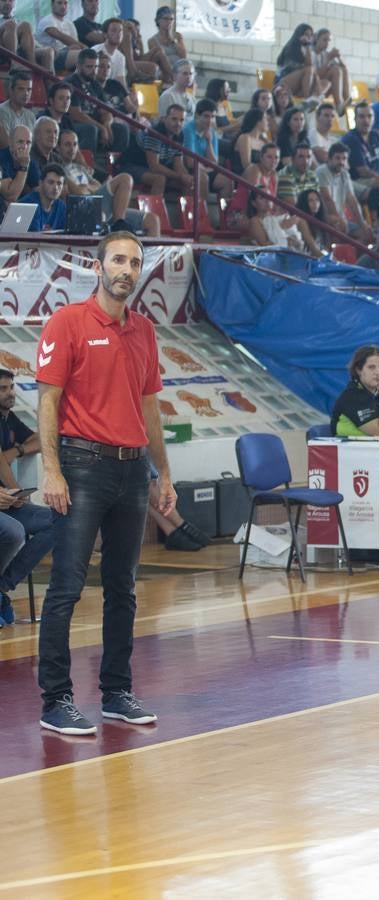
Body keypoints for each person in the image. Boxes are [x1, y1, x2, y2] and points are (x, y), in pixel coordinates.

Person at [35, 231, 176, 735]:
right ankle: (56, 700)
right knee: (67, 587)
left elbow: (150, 406)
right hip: (82, 465)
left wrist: (163, 472)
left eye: (135, 262)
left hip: (133, 469)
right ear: (98, 266)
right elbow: (48, 401)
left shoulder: (144, 331)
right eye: (118, 259)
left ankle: (116, 692)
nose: (126, 269)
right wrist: (51, 470)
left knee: (123, 588)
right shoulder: (67, 322)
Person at [0, 368, 53, 628]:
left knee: (60, 519)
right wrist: (15, 491)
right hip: (5, 502)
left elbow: (41, 440)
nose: (10, 393)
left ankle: (3, 586)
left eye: (11, 387)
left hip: (8, 501)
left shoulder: (8, 420)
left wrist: (17, 451)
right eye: (3, 389)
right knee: (14, 530)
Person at [330, 345, 379, 437]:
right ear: (358, 370)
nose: (378, 372)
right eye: (371, 367)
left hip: (371, 450)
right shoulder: (352, 396)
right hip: (350, 450)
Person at [275, 24, 328, 101]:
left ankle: (313, 99)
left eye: (310, 35)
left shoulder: (306, 48)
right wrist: (314, 76)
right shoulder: (291, 47)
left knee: (326, 82)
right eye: (306, 34)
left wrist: (308, 46)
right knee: (310, 70)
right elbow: (293, 68)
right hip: (283, 83)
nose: (308, 38)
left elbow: (310, 64)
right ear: (299, 34)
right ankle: (308, 99)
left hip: (298, 87)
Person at [20, 164, 67, 231]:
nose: (56, 188)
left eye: (59, 183)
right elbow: (36, 238)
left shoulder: (61, 206)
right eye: (51, 182)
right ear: (40, 183)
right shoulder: (29, 204)